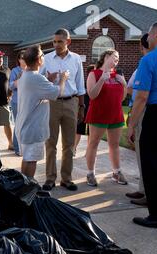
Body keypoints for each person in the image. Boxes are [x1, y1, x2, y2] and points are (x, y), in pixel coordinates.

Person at [127, 20, 157, 230]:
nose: (149, 39)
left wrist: (132, 124)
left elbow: (141, 97)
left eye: (150, 35)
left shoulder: (150, 59)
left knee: (154, 166)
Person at [40, 29, 86, 191]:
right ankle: (50, 178)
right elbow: (38, 82)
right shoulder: (45, 59)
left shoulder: (75, 59)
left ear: (68, 41)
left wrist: (81, 106)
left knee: (69, 144)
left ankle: (67, 178)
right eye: (54, 41)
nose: (57, 44)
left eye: (60, 41)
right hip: (51, 103)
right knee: (50, 142)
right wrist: (48, 79)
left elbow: (80, 84)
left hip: (71, 102)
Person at [15, 45, 68, 179]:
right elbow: (57, 92)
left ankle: (24, 187)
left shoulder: (25, 76)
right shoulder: (36, 78)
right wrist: (63, 78)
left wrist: (48, 81)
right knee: (31, 160)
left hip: (24, 126)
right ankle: (28, 188)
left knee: (26, 158)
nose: (44, 57)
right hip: (33, 128)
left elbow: (36, 92)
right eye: (42, 55)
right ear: (39, 60)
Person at [85, 49, 128, 187]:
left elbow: (122, 98)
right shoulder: (94, 74)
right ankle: (91, 173)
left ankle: (117, 172)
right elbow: (92, 95)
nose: (117, 60)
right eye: (115, 57)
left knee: (114, 145)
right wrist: (102, 79)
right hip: (98, 114)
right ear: (106, 56)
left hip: (116, 114)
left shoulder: (118, 76)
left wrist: (124, 83)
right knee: (93, 143)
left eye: (118, 58)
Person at [125, 33, 150, 206]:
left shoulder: (147, 62)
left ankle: (149, 193)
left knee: (146, 153)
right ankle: (143, 189)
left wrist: (132, 124)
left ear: (142, 47)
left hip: (145, 111)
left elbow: (136, 92)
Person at [74, 64, 96, 155]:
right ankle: (73, 148)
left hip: (93, 110)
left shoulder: (97, 83)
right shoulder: (82, 82)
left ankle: (88, 151)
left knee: (91, 132)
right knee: (78, 130)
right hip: (83, 109)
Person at [9, 51, 27, 156]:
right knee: (18, 124)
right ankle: (17, 148)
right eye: (21, 58)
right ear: (19, 60)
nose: (23, 60)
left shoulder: (32, 70)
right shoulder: (15, 71)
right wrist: (19, 80)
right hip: (17, 101)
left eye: (25, 58)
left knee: (26, 125)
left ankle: (24, 147)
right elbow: (11, 86)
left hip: (29, 101)